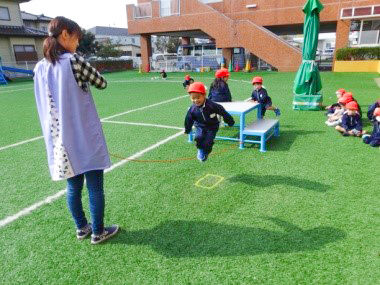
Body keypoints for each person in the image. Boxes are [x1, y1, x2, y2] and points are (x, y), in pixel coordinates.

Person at [33, 17, 119, 245]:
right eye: (77, 38)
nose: (78, 43)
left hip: (59, 140)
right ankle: (98, 232)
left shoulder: (40, 68)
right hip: (84, 137)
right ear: (64, 35)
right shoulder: (74, 61)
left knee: (73, 186)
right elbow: (101, 82)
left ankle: (82, 228)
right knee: (95, 186)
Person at [184, 82, 235, 162]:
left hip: (212, 126)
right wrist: (187, 129)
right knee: (199, 137)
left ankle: (206, 152)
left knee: (208, 141)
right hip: (200, 125)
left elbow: (223, 112)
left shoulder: (212, 105)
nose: (196, 100)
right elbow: (188, 119)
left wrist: (230, 121)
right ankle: (200, 149)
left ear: (204, 95)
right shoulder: (192, 109)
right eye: (193, 98)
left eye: (198, 97)